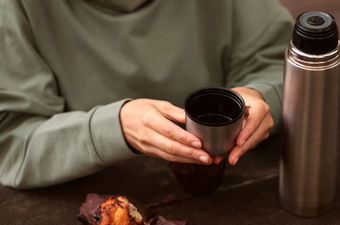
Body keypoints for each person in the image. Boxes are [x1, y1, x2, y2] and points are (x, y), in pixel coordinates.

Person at [0, 0, 293, 189]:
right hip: (92, 200)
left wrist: (260, 95)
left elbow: (278, 60)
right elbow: (13, 144)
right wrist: (115, 127)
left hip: (237, 182)